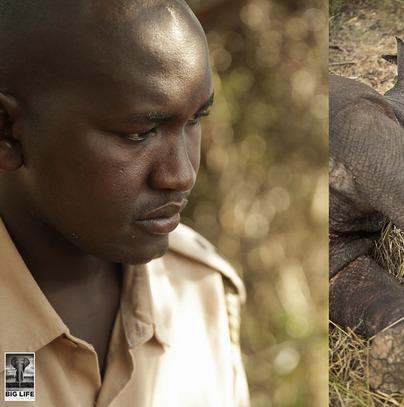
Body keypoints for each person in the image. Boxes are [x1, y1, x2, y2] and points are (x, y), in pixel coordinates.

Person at [0, 1, 248, 405]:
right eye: (139, 134)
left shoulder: (201, 289)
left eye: (194, 121)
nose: (181, 175)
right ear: (8, 130)